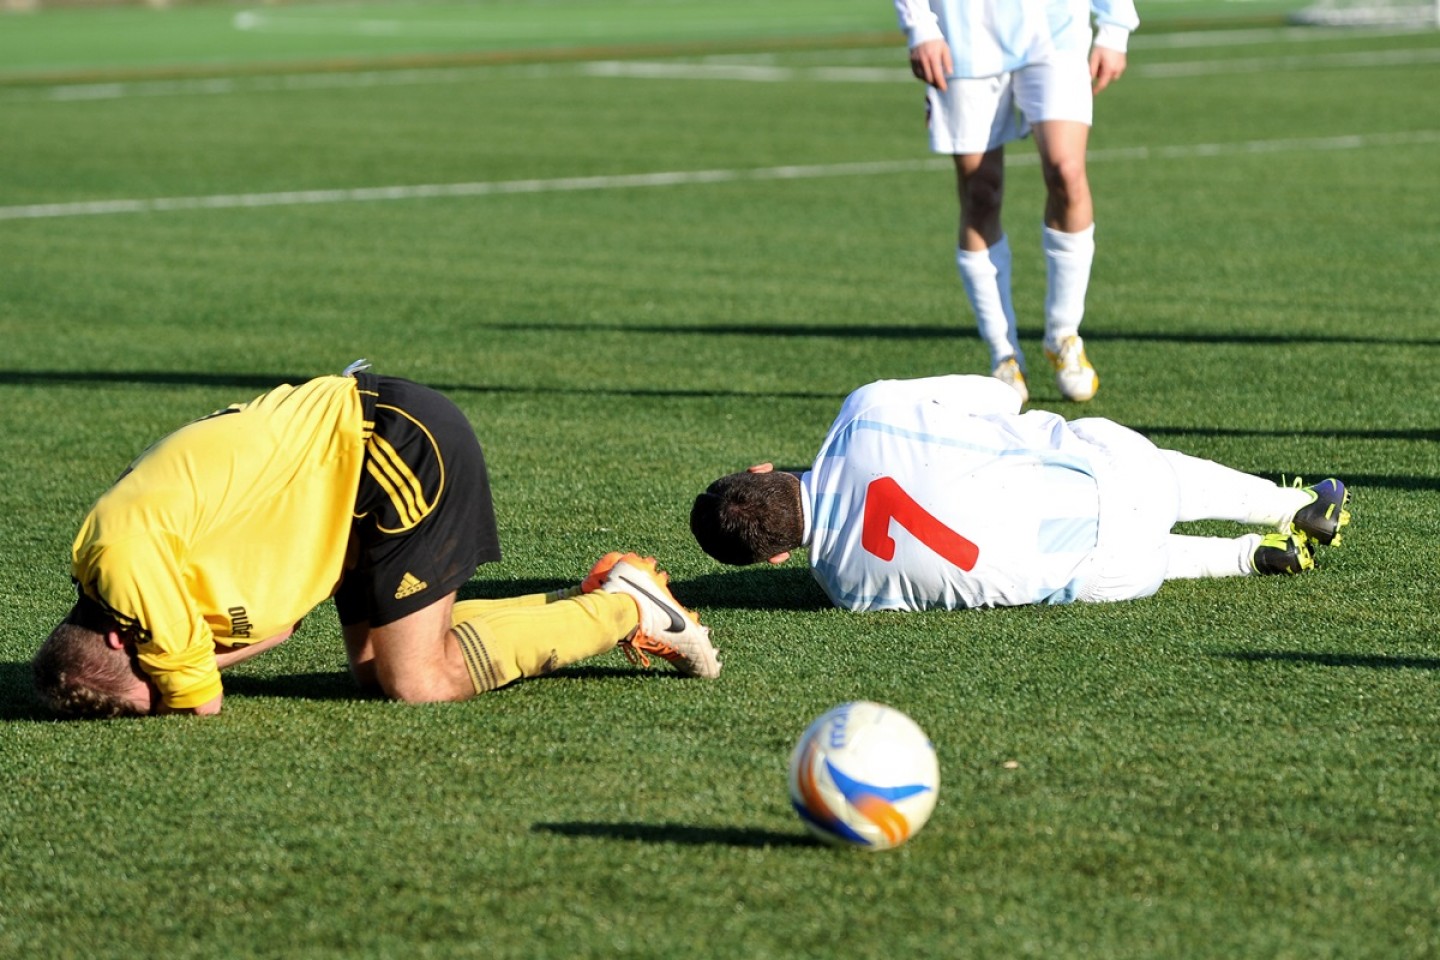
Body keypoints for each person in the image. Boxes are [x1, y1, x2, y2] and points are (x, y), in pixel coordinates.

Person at [32, 365, 719, 719]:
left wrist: (182, 682)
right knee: (374, 669)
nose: (173, 667)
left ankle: (626, 610)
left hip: (392, 447)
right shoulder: (142, 593)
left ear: (124, 637)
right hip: (348, 492)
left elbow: (202, 699)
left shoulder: (126, 560)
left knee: (417, 681)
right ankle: (598, 593)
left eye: (151, 672)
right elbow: (275, 633)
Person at [689, 376, 1350, 612]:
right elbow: (1004, 394)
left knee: (1080, 554)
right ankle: (1289, 507)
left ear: (776, 560)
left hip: (1112, 578)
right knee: (1104, 456)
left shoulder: (849, 592)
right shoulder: (864, 415)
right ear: (761, 467)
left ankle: (1246, 558)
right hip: (1113, 482)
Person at [894, 0, 1139, 403]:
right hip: (964, 33)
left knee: (1067, 172)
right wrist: (920, 25)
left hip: (1054, 29)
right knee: (981, 192)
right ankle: (1003, 355)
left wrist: (1115, 26)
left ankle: (1063, 335)